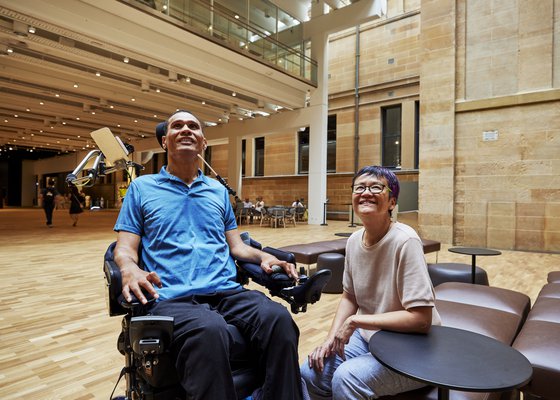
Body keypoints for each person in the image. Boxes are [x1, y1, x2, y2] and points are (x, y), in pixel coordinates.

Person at [113, 110, 305, 400]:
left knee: (278, 319)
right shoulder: (142, 188)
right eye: (177, 126)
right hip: (172, 297)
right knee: (209, 330)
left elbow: (237, 246)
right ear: (165, 141)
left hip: (225, 291)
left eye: (193, 126)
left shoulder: (217, 191)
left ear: (203, 143)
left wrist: (264, 256)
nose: (186, 129)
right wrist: (129, 268)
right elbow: (125, 248)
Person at [301, 165, 441, 400]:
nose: (366, 192)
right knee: (310, 371)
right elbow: (350, 296)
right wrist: (329, 339)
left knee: (347, 378)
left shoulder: (405, 241)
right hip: (371, 338)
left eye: (376, 187)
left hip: (415, 347)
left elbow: (421, 319)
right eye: (360, 187)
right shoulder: (354, 240)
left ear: (392, 202)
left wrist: (356, 320)